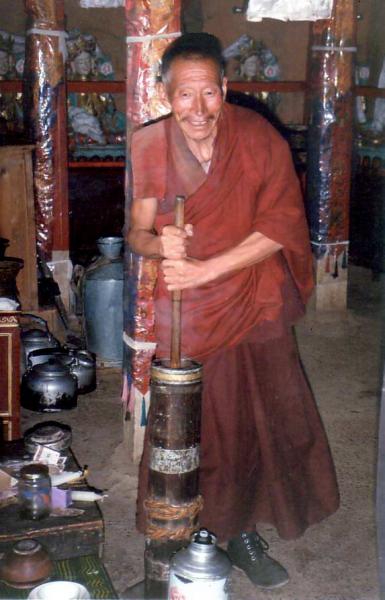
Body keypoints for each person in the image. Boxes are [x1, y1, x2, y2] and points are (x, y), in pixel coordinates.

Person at [128, 32, 339, 590]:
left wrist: (205, 269)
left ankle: (242, 531)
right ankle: (177, 531)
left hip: (254, 294)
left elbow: (280, 227)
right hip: (188, 310)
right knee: (194, 423)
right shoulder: (150, 144)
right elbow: (137, 233)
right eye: (184, 96)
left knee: (260, 417)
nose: (198, 110)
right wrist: (160, 245)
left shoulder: (258, 137)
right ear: (166, 96)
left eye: (209, 94)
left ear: (225, 89)